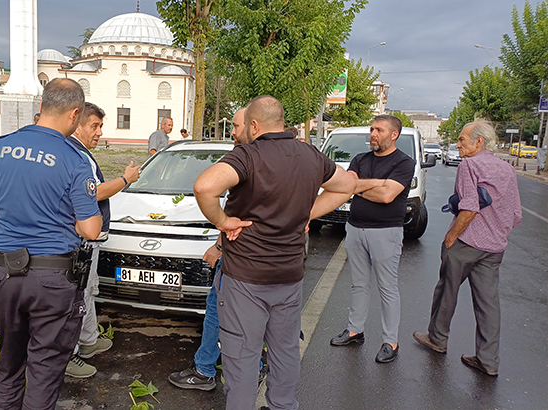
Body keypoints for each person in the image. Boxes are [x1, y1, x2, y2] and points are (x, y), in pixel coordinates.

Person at [193, 96, 356, 410]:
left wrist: (224, 222)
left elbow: (205, 186)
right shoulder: (311, 155)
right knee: (284, 352)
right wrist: (307, 214)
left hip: (245, 279)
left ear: (254, 125)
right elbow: (346, 186)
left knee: (241, 359)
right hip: (290, 277)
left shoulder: (248, 155)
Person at [0, 78, 102, 410]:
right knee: (44, 373)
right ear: (74, 113)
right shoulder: (75, 159)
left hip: (5, 273)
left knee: (7, 367)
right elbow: (90, 229)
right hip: (52, 281)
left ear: (42, 106)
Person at [413, 121, 522, 376]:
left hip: (466, 243)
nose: (458, 144)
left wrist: (451, 236)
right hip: (494, 248)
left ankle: (437, 339)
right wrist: (497, 231)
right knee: (488, 304)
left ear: (478, 142)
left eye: (462, 140)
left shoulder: (469, 166)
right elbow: (516, 214)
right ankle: (488, 361)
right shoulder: (507, 169)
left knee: (446, 292)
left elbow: (470, 207)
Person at [168, 109, 247, 391]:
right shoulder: (281, 160)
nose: (233, 132)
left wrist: (218, 245)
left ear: (254, 125)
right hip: (271, 264)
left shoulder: (245, 161)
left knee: (217, 309)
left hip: (239, 259)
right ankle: (256, 368)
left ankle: (205, 371)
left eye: (236, 126)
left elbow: (233, 210)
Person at [327, 115, 415, 364]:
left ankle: (390, 341)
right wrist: (374, 184)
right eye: (372, 129)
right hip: (355, 229)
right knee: (358, 284)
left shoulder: (405, 163)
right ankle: (355, 330)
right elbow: (345, 187)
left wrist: (359, 187)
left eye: (379, 130)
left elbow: (388, 196)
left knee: (387, 287)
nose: (373, 134)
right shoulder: (360, 159)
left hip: (385, 232)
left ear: (393, 135)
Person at [65, 102, 141, 378]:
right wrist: (125, 179)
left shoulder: (79, 152)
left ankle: (88, 341)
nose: (99, 132)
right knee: (77, 296)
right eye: (94, 126)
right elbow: (92, 193)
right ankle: (70, 355)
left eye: (101, 126)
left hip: (89, 240)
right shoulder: (77, 155)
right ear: (78, 124)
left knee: (87, 292)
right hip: (81, 241)